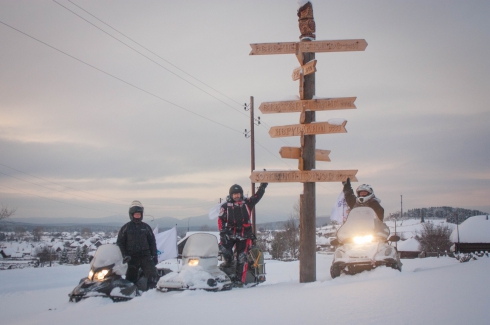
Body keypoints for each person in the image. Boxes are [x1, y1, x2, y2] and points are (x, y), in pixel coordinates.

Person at [218, 183, 268, 287]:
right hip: (230, 233)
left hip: (244, 235)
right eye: (234, 194)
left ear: (241, 194)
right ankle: (229, 263)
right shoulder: (225, 206)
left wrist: (262, 187)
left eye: (238, 194)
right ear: (231, 195)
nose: (237, 196)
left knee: (242, 257)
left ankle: (239, 280)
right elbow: (221, 219)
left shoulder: (247, 203)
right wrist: (222, 232)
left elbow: (257, 197)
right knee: (223, 248)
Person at [116, 200, 159, 290]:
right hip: (132, 257)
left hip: (145, 256)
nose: (137, 216)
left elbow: (152, 242)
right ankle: (131, 294)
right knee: (130, 278)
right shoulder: (126, 228)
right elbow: (120, 243)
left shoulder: (146, 227)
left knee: (152, 274)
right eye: (136, 214)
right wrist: (124, 255)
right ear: (131, 215)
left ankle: (152, 293)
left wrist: (154, 255)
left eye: (139, 214)